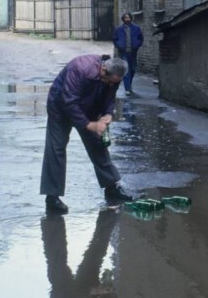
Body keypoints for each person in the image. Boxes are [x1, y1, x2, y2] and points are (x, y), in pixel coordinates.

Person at [40, 55, 133, 214]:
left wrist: (108, 114)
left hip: (88, 107)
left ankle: (111, 188)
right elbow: (68, 102)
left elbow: (109, 97)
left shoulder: (113, 77)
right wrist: (90, 125)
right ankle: (52, 197)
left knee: (98, 145)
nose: (111, 84)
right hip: (60, 108)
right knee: (57, 148)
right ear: (103, 69)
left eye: (114, 83)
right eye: (109, 81)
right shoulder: (80, 68)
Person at [113, 12, 144, 95]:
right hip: (124, 52)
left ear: (131, 18)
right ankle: (127, 89)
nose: (127, 19)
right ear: (123, 19)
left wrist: (137, 45)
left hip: (133, 52)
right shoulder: (118, 29)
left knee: (133, 69)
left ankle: (129, 85)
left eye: (129, 17)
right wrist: (119, 46)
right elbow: (115, 39)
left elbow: (141, 38)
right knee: (127, 70)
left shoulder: (136, 28)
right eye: (126, 18)